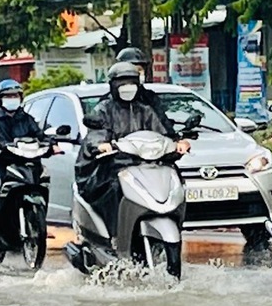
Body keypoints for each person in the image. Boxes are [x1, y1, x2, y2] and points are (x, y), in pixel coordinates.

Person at [75, 60, 191, 226]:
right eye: (122, 83)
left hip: (148, 165)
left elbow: (163, 132)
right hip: (115, 166)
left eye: (131, 82)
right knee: (115, 188)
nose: (127, 87)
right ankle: (115, 232)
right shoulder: (104, 109)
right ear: (113, 85)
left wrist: (178, 143)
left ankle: (176, 224)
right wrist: (102, 145)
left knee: (175, 182)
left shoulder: (146, 110)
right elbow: (96, 133)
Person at [0, 78, 47, 240]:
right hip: (1, 161)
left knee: (41, 181)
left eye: (15, 95)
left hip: (26, 162)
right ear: (0, 99)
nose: (12, 99)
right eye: (8, 96)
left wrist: (51, 144)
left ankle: (36, 221)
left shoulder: (27, 119)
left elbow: (39, 135)